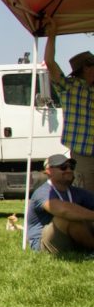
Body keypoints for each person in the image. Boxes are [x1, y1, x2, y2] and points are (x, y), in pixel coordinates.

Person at [43, 19, 94, 192]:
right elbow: (49, 62)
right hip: (84, 154)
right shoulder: (68, 86)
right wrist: (52, 35)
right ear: (86, 68)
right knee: (88, 198)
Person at [25, 153, 94, 255]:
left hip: (69, 239)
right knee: (66, 218)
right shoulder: (43, 192)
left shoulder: (77, 192)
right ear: (48, 171)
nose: (69, 170)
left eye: (71, 167)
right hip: (43, 244)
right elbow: (63, 210)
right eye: (63, 167)